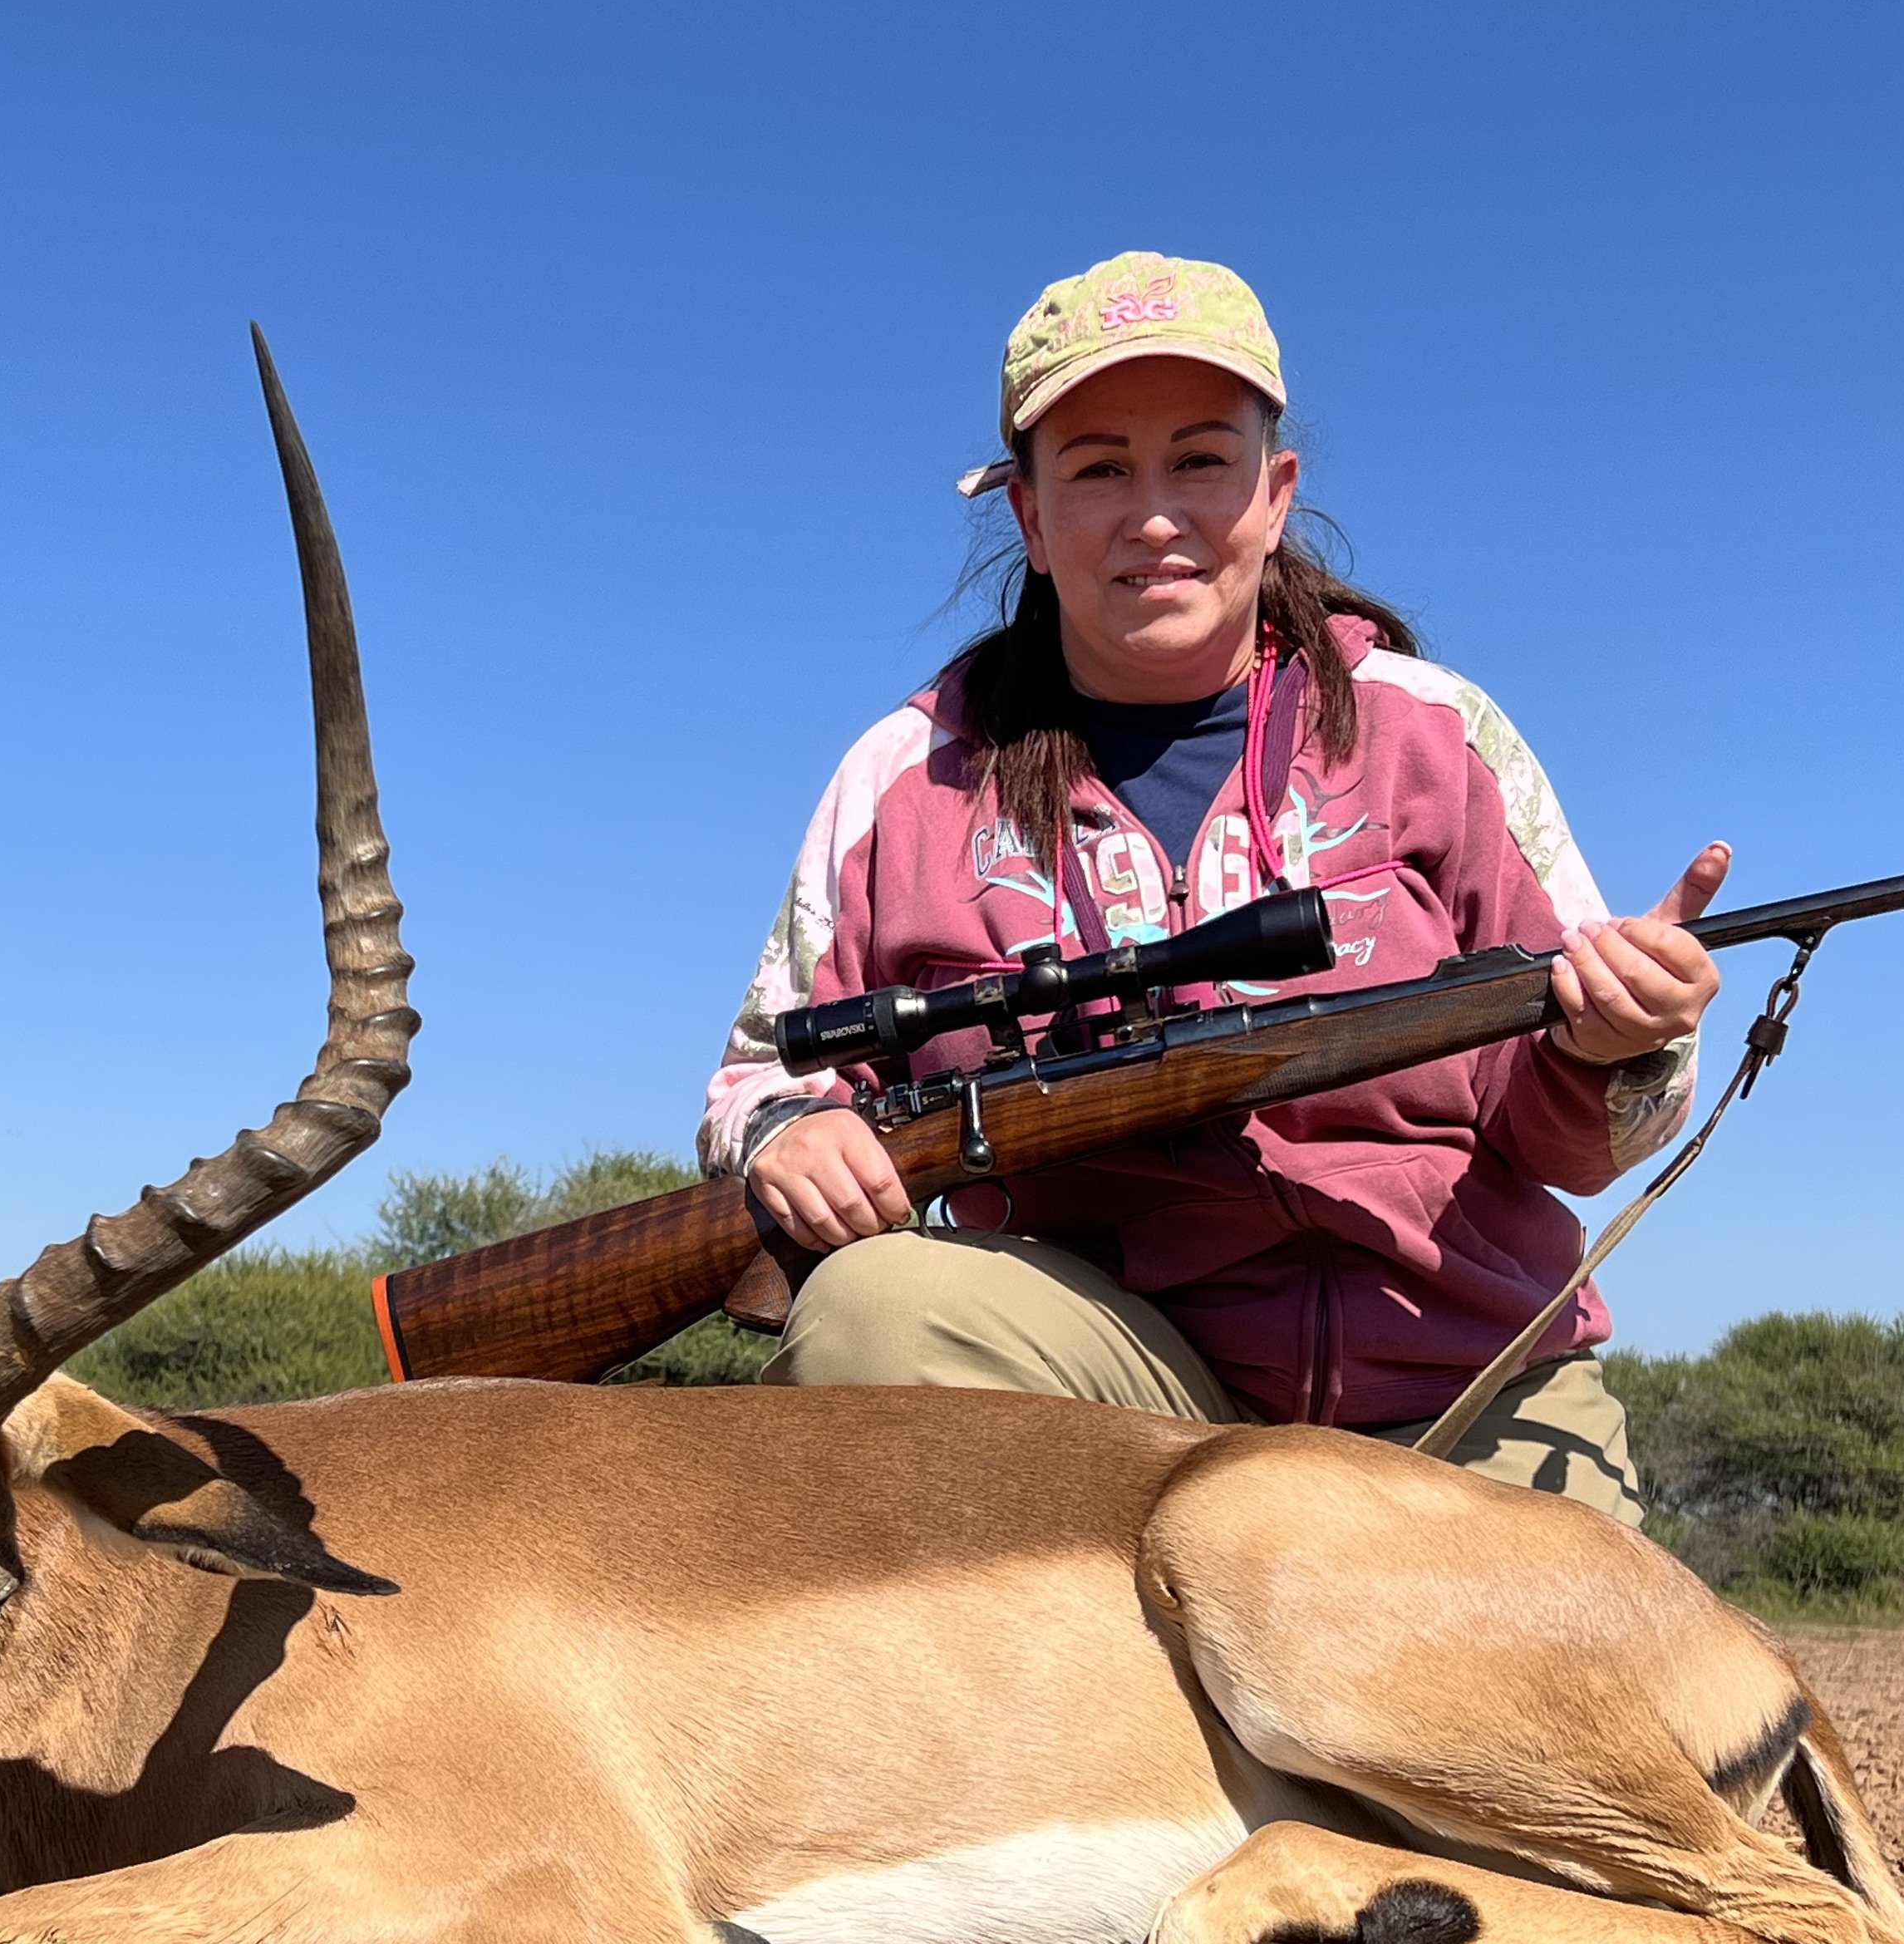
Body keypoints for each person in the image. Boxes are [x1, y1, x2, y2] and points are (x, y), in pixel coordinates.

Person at [699, 250, 1727, 1525]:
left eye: (1199, 459)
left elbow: (1589, 1144)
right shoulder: (903, 777)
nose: (1155, 515)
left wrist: (1616, 1046)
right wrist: (791, 1138)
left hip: (1457, 1384)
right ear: (1027, 514)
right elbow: (760, 1075)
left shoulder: (1434, 734)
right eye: (1098, 469)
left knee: (1571, 1718)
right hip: (1112, 1413)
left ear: (1275, 490)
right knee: (872, 1311)